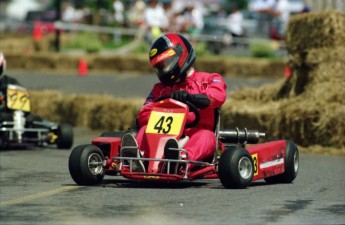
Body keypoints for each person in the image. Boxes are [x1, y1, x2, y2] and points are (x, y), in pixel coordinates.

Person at [121, 33, 227, 172]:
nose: (163, 69)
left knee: (207, 137)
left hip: (193, 136)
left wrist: (192, 98)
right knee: (144, 128)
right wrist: (164, 104)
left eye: (166, 64)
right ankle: (139, 157)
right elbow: (143, 114)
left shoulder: (208, 79)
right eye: (159, 66)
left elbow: (219, 96)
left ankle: (181, 159)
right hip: (160, 138)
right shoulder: (160, 89)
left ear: (180, 56)